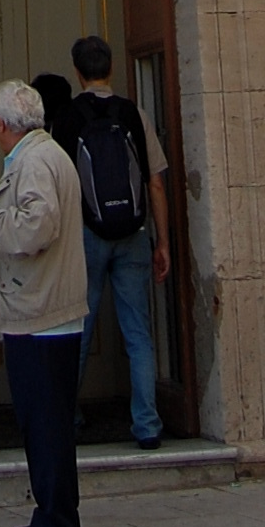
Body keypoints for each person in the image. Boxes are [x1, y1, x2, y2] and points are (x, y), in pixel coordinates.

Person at [0, 79, 87, 527]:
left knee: (45, 424)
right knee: (45, 424)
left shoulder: (34, 160)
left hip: (41, 313)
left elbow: (38, 224)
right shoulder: (44, 154)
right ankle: (52, 516)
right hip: (45, 309)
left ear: (5, 124)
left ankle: (57, 523)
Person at [66, 37, 171, 451]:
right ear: (110, 68)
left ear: (78, 71)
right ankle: (147, 424)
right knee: (138, 332)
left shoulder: (69, 118)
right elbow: (156, 183)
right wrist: (162, 241)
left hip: (86, 234)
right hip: (132, 234)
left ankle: (67, 416)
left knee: (78, 328)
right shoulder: (133, 113)